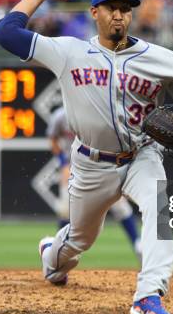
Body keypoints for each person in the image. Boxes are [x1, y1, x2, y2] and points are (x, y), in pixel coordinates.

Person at [0, 0, 173, 314]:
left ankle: (148, 294)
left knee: (159, 205)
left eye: (126, 9)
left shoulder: (161, 59)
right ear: (95, 12)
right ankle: (52, 256)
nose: (120, 16)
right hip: (92, 164)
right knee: (77, 242)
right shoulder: (69, 52)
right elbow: (6, 32)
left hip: (143, 154)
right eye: (112, 8)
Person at [47, 106, 142, 261]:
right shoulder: (61, 116)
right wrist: (63, 162)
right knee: (66, 209)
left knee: (120, 206)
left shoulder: (98, 111)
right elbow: (52, 139)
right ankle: (58, 253)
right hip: (72, 167)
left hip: (100, 166)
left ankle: (138, 245)